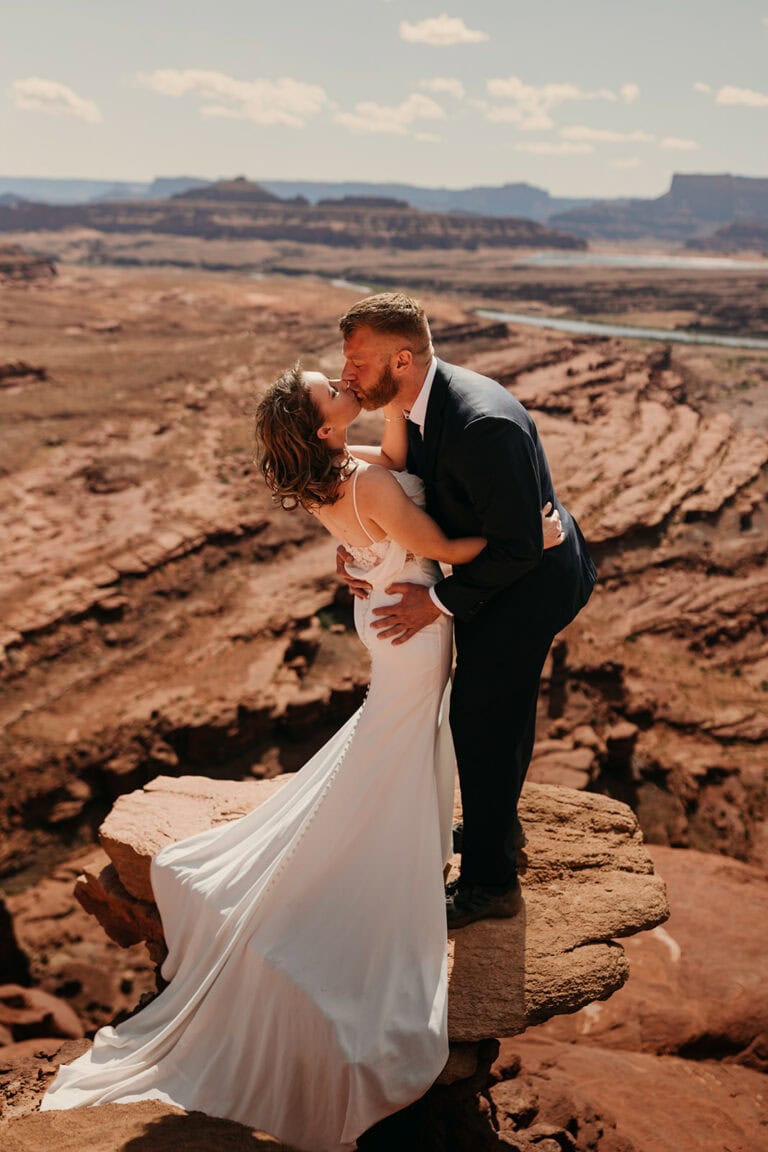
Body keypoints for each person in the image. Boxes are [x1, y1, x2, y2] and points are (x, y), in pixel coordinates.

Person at [40, 364, 562, 1152]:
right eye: (333, 391)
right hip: (413, 629)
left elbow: (390, 453)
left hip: (381, 612)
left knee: (389, 740)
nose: (342, 387)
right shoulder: (370, 489)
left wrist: (385, 403)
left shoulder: (332, 477)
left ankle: (397, 840)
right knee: (398, 742)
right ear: (322, 427)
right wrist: (535, 537)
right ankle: (379, 857)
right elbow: (449, 547)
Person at [336, 293, 597, 930]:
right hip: (501, 571)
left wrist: (436, 602)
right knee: (488, 717)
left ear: (402, 359)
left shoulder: (481, 424)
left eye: (357, 361)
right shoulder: (415, 402)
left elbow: (518, 550)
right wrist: (363, 550)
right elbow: (397, 481)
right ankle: (496, 833)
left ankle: (490, 885)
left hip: (527, 586)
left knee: (484, 724)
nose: (347, 375)